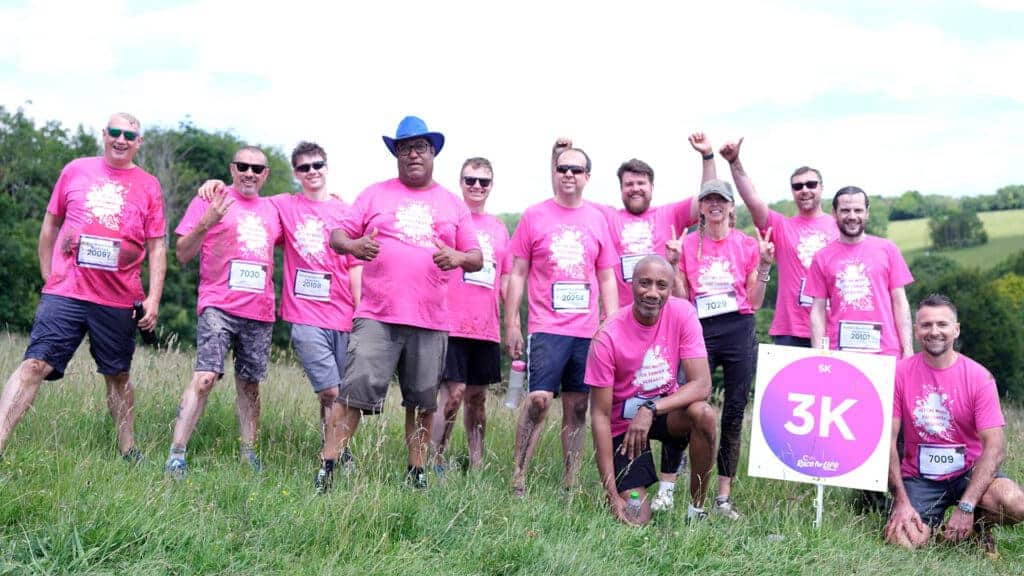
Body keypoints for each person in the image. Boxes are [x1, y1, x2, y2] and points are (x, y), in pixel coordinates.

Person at [193, 142, 364, 492]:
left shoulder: (347, 212)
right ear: (295, 173)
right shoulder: (283, 205)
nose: (312, 172)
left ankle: (332, 452)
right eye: (303, 168)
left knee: (336, 394)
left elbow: (357, 265)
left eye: (317, 165)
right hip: (304, 315)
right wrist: (213, 184)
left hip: (344, 314)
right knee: (331, 391)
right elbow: (247, 196)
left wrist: (361, 313)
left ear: (326, 167)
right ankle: (334, 460)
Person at [0, 112, 165, 463]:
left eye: (129, 135)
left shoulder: (149, 185)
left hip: (120, 297)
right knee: (34, 365)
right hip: (66, 292)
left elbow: (157, 247)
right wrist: (49, 275)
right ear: (104, 134)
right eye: (115, 133)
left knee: (118, 376)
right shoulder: (75, 169)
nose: (121, 140)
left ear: (139, 142)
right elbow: (50, 225)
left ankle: (128, 450)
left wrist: (152, 298)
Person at [329, 116, 482, 490]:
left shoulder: (452, 204)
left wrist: (458, 258)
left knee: (422, 401)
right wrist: (354, 246)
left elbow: (476, 257)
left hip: (430, 319)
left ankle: (416, 473)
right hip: (377, 314)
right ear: (396, 154)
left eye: (421, 147)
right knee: (354, 391)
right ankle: (328, 469)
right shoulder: (374, 194)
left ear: (433, 153)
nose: (413, 154)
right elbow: (337, 236)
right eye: (405, 148)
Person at [505, 146, 619, 497]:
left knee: (578, 406)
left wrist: (612, 325)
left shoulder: (598, 219)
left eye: (576, 169)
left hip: (587, 332)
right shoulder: (535, 216)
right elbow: (518, 273)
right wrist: (511, 321)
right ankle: (518, 476)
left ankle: (569, 483)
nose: (568, 174)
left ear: (587, 176)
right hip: (546, 328)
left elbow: (607, 277)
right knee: (539, 400)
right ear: (554, 173)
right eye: (562, 169)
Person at [166, 145, 283, 478]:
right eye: (243, 167)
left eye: (256, 169)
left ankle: (248, 454)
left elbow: (307, 219)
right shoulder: (210, 198)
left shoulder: (273, 209)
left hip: (260, 312)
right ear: (232, 169)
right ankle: (177, 454)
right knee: (204, 379)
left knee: (250, 385)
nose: (249, 173)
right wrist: (206, 222)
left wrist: (330, 198)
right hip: (219, 305)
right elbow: (182, 253)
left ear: (266, 175)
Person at [884, 294, 1024, 553]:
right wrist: (901, 501)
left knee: (1016, 503)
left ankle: (976, 524)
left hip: (968, 473)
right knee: (902, 541)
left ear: (956, 330)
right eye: (926, 325)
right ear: (916, 331)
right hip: (920, 478)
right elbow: (888, 441)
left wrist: (966, 506)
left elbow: (995, 448)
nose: (934, 331)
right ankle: (942, 531)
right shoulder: (899, 373)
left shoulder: (979, 377)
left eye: (942, 324)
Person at [587, 256, 717, 526]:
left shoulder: (683, 313)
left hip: (664, 413)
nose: (652, 293)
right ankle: (627, 488)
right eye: (644, 283)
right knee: (636, 518)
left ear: (671, 288)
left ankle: (696, 512)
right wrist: (611, 494)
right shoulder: (607, 337)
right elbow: (599, 417)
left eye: (661, 285)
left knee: (703, 413)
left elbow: (703, 384)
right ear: (632, 284)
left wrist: (651, 409)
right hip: (625, 430)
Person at [678, 178, 774, 519]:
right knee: (690, 405)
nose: (714, 204)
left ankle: (722, 497)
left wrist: (764, 265)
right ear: (701, 207)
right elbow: (680, 297)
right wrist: (674, 263)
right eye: (708, 200)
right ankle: (676, 487)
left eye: (721, 199)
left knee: (733, 413)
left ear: (731, 207)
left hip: (738, 327)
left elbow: (755, 301)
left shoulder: (747, 245)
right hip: (698, 327)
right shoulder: (688, 244)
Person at [717, 138, 838, 347]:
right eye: (798, 186)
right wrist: (734, 162)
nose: (805, 190)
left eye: (811, 184)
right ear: (792, 191)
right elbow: (752, 199)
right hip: (790, 329)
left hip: (832, 328)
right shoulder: (782, 227)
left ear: (821, 187)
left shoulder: (839, 227)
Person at [431, 157, 510, 474]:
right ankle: (434, 460)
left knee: (477, 399)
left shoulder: (499, 227)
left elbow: (505, 278)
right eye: (470, 180)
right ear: (460, 181)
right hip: (451, 322)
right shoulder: (449, 220)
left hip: (486, 327)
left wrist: (513, 323)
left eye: (483, 181)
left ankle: (477, 465)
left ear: (491, 185)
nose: (476, 186)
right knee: (452, 394)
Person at [806, 186, 913, 358]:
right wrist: (818, 354)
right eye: (845, 210)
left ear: (867, 212)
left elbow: (900, 302)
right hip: (839, 353)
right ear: (834, 213)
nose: (852, 216)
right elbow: (817, 310)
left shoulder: (888, 249)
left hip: (885, 352)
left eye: (858, 210)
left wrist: (908, 350)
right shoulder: (821, 257)